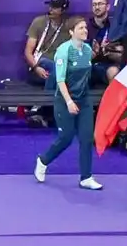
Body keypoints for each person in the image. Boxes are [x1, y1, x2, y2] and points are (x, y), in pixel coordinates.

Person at [34, 16, 102, 190]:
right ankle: (43, 160)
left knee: (87, 138)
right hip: (65, 100)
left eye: (85, 28)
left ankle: (86, 177)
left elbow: (85, 75)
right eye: (80, 28)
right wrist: (70, 101)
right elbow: (61, 80)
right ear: (71, 32)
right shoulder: (63, 51)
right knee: (66, 138)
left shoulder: (87, 50)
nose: (85, 31)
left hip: (84, 100)